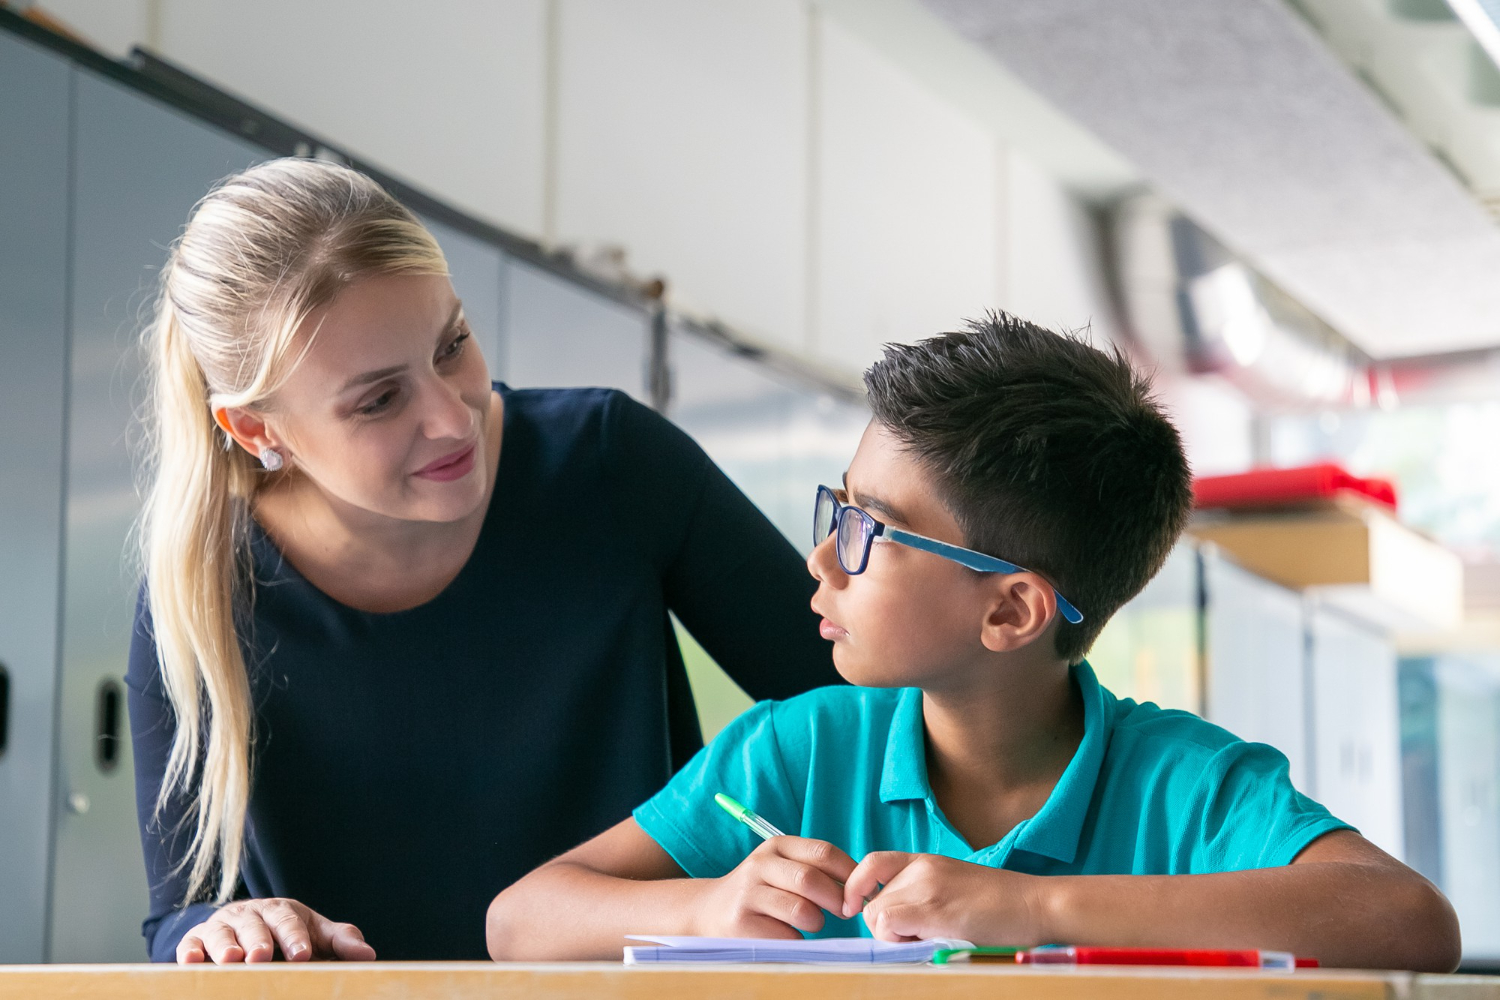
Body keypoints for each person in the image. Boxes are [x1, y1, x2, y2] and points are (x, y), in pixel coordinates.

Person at [485, 314, 1462, 972]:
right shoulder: (798, 749)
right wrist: (701, 909)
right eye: (838, 508)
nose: (823, 558)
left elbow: (1412, 924)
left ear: (1012, 611)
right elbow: (518, 920)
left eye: (868, 530)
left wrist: (1030, 908)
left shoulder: (1184, 787)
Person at [125, 157, 840, 963]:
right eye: (380, 399)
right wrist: (223, 931)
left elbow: (869, 703)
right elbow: (179, 918)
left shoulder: (609, 464)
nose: (451, 414)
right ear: (259, 432)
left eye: (452, 344)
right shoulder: (204, 585)